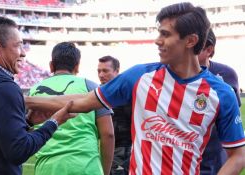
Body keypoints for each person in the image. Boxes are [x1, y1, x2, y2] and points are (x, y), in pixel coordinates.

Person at [25, 2, 245, 175]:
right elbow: (84, 102)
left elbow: (238, 155)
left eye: (166, 34)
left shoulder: (221, 94)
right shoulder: (139, 76)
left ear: (190, 40)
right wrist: (26, 101)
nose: (157, 41)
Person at [0, 16, 75, 175]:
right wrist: (54, 122)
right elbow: (19, 151)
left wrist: (27, 122)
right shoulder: (4, 87)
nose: (23, 53)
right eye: (19, 46)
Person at [29, 42, 114, 175]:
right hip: (86, 167)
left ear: (51, 65)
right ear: (77, 66)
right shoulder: (91, 87)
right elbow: (108, 134)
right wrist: (106, 172)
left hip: (47, 168)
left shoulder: (34, 91)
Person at [198, 29, 242, 175]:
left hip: (216, 155)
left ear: (209, 50)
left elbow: (232, 115)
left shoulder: (227, 75)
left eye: (196, 46)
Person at [97, 56, 132, 175]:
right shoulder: (97, 93)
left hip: (124, 149)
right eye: (99, 71)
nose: (101, 75)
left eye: (105, 71)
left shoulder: (126, 93)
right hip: (105, 148)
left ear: (117, 71)